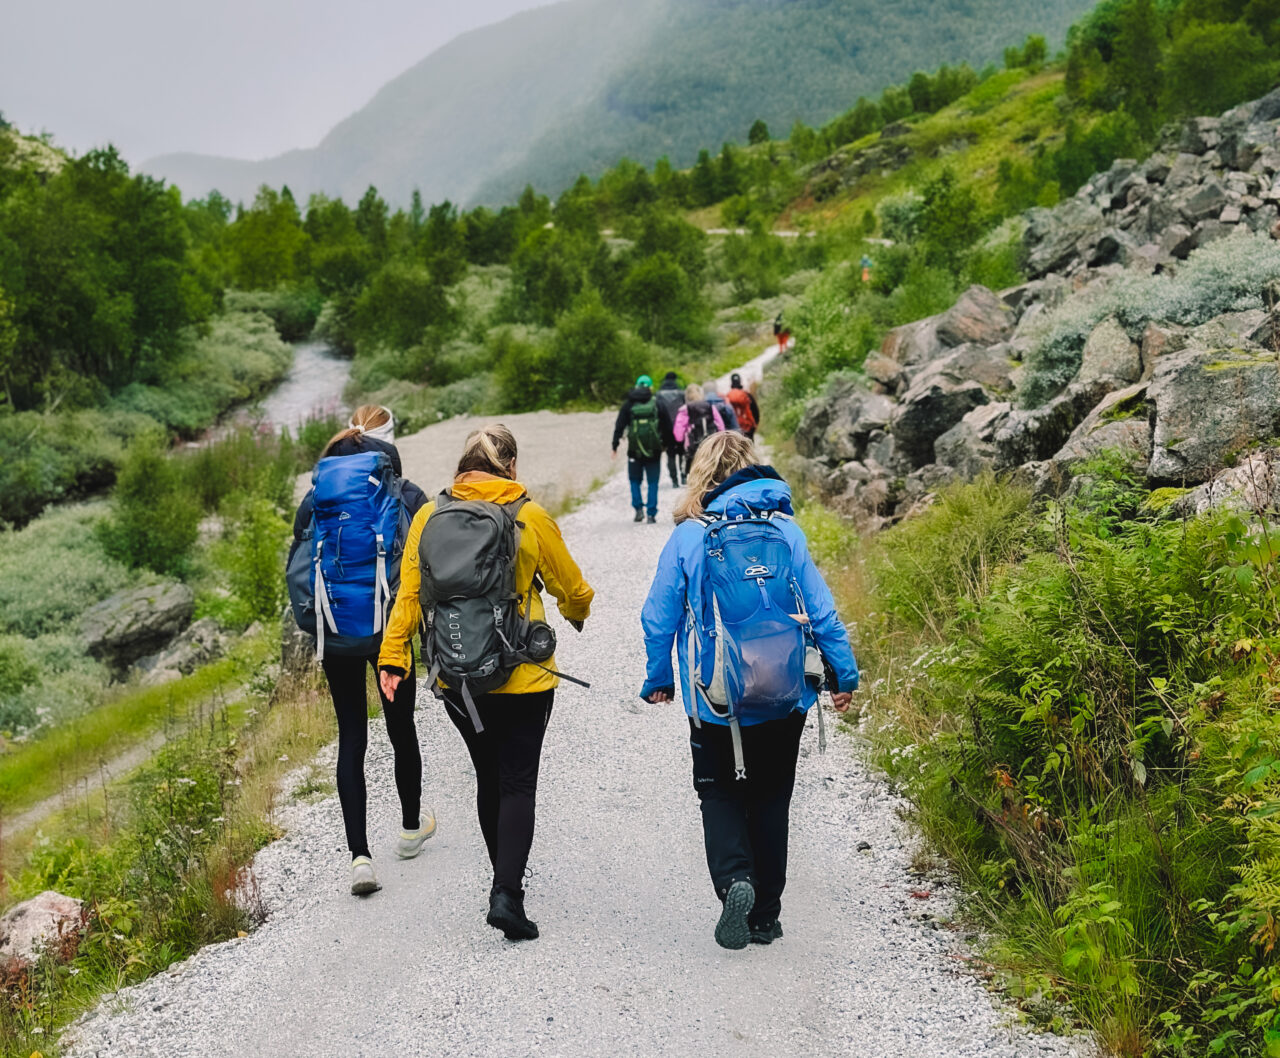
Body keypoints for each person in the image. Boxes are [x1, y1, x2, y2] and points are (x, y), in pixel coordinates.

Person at [638, 432, 858, 949]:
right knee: (772, 795)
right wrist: (842, 676)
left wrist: (659, 677)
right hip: (786, 693)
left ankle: (735, 879)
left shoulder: (690, 536)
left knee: (718, 790)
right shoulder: (785, 529)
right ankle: (765, 917)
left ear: (700, 476)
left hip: (716, 695)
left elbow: (657, 617)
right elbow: (822, 612)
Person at [378, 424, 594, 942]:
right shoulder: (531, 515)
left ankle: (505, 876)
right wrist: (573, 611)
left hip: (456, 677)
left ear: (462, 466)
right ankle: (507, 892)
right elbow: (575, 587)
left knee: (488, 776)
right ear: (511, 466)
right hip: (524, 676)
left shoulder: (429, 516)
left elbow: (409, 595)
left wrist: (392, 656)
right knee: (518, 780)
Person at [287, 405, 434, 897]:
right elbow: (426, 557)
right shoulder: (403, 493)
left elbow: (300, 558)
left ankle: (359, 859)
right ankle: (411, 832)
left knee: (351, 737)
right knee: (400, 728)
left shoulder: (316, 499)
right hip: (389, 630)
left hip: (335, 632)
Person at [611, 374, 663, 524]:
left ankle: (639, 509)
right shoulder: (656, 403)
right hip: (654, 449)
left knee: (635, 480)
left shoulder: (628, 404)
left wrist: (615, 445)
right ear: (650, 387)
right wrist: (666, 443)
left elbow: (619, 426)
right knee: (653, 482)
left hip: (634, 450)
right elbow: (666, 424)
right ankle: (651, 514)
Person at [672, 383, 724, 479]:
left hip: (693, 446)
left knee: (695, 473)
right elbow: (721, 426)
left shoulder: (685, 409)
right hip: (710, 444)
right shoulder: (710, 406)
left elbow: (678, 435)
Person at [654, 371, 687, 488]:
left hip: (666, 428)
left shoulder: (658, 394)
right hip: (681, 428)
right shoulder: (681, 393)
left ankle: (674, 480)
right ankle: (683, 476)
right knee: (682, 453)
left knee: (670, 454)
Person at [726, 373, 761, 440]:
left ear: (731, 382)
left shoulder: (728, 396)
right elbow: (755, 411)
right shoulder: (747, 395)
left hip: (734, 430)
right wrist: (754, 425)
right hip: (747, 427)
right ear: (740, 382)